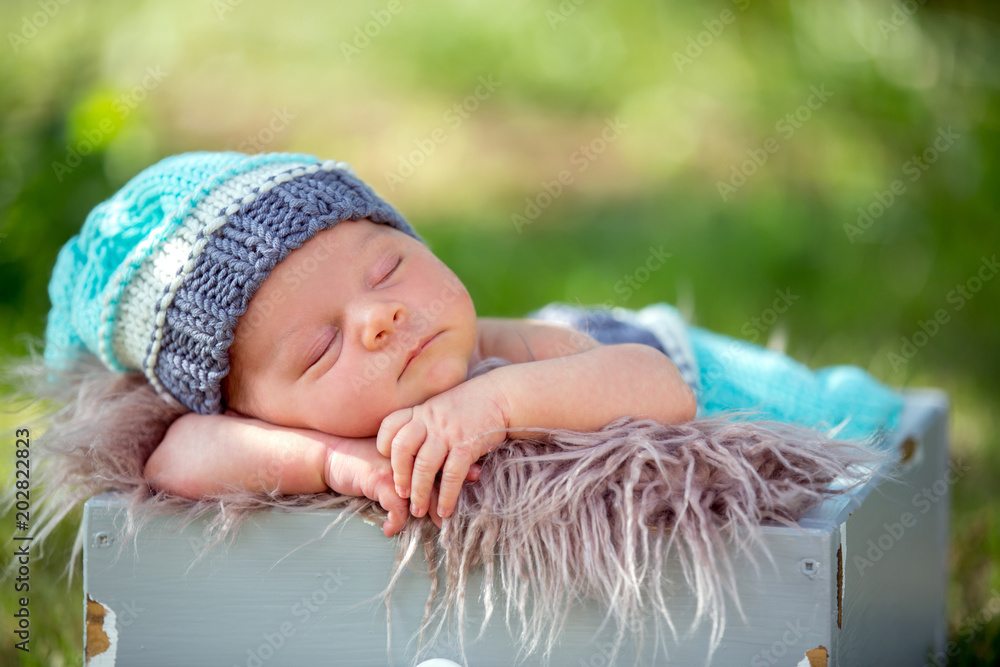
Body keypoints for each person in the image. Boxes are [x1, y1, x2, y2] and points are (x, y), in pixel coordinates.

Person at [42, 151, 698, 539]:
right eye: (321, 347)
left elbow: (661, 386)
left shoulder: (518, 350)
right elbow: (172, 459)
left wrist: (494, 405)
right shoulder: (279, 433)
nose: (379, 316)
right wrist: (330, 462)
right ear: (251, 414)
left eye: (386, 269)